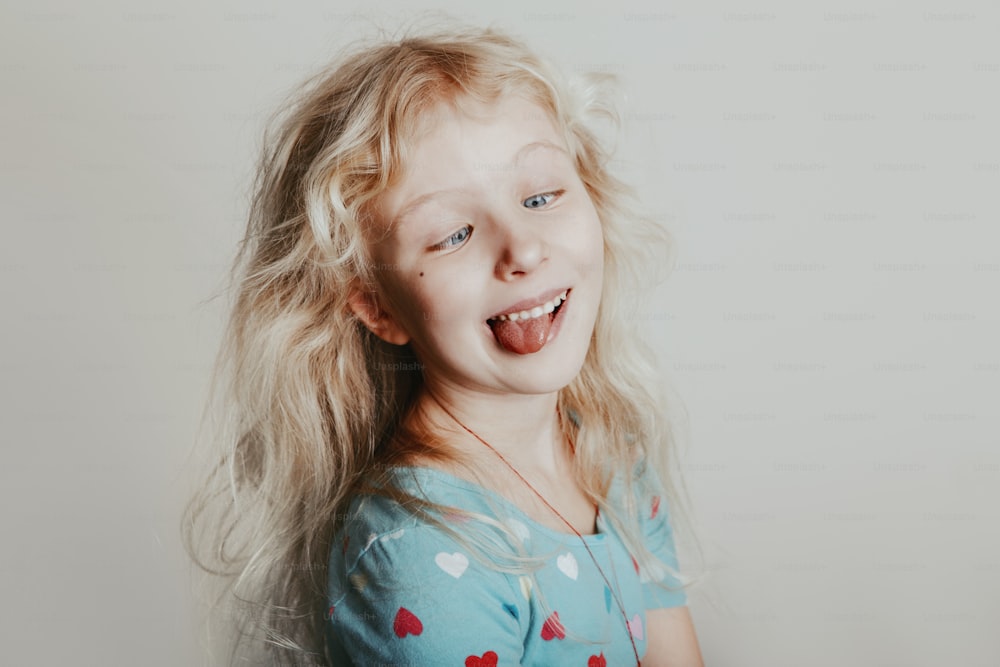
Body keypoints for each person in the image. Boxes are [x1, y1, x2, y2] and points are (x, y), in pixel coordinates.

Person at [183, 21, 706, 667]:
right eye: (452, 234)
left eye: (541, 196)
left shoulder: (608, 454)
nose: (523, 248)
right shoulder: (420, 555)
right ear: (376, 306)